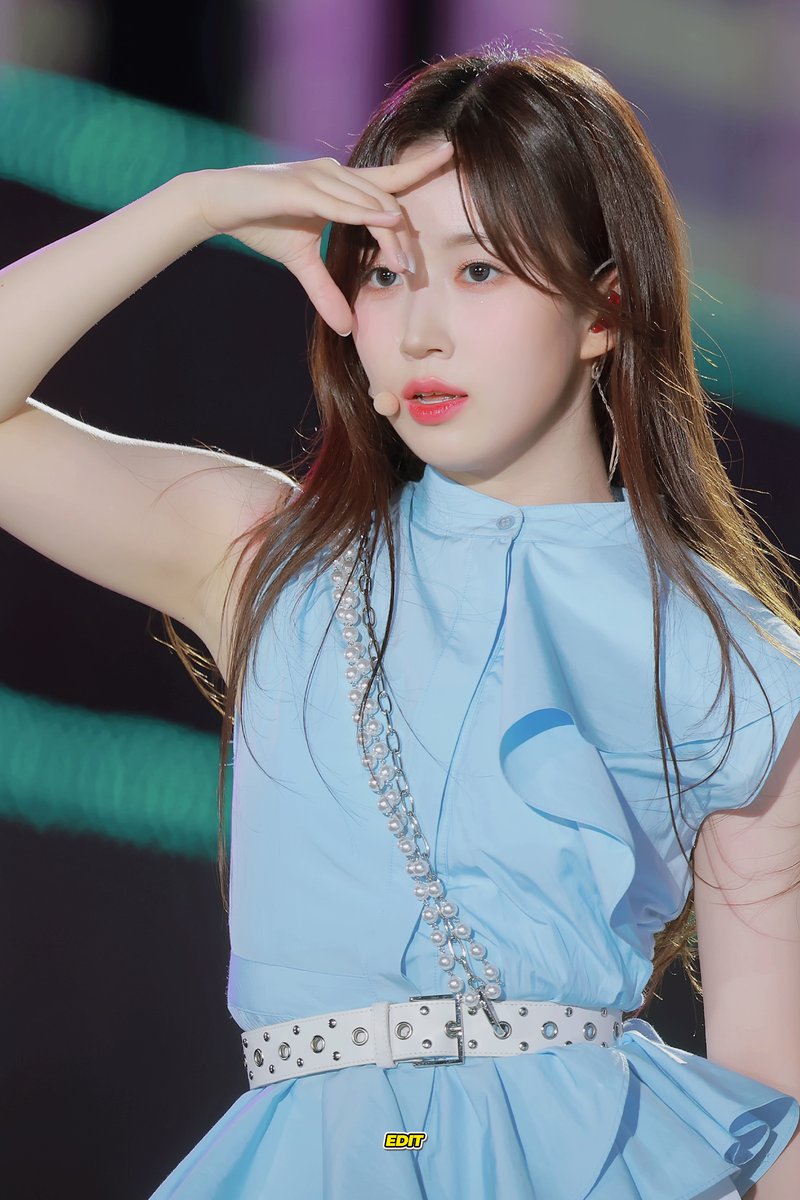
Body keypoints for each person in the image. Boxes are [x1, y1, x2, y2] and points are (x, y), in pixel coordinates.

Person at [0, 44, 798, 1200]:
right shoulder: (268, 560)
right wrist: (193, 205)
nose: (419, 328)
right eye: (384, 271)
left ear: (605, 307)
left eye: (477, 270)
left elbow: (769, 1106)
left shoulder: (731, 657)